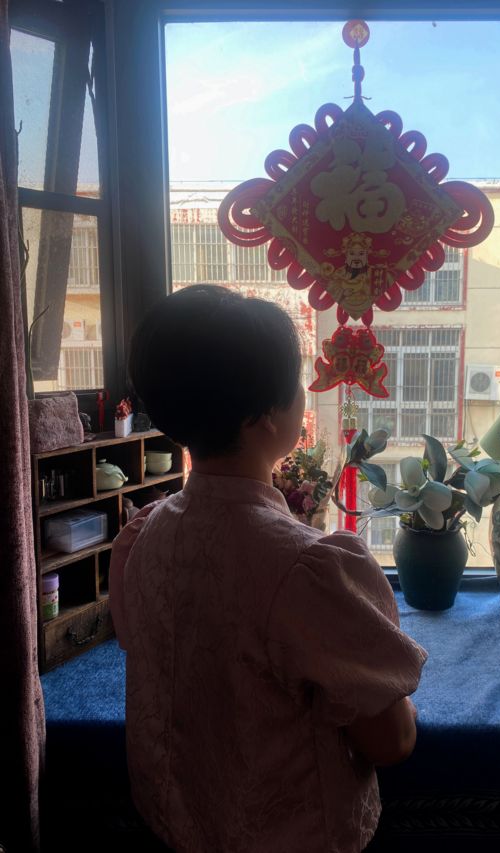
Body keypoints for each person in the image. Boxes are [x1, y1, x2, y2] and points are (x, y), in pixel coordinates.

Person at [110, 284, 427, 853]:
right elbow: (393, 739)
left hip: (173, 827)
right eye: (298, 383)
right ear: (264, 415)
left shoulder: (145, 535)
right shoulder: (305, 568)